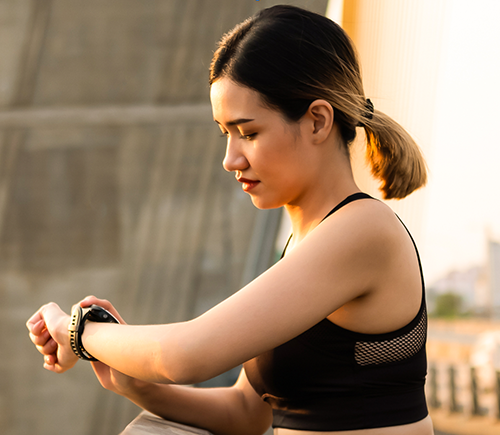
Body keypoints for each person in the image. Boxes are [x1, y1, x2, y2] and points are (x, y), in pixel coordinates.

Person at [27, 5, 433, 435]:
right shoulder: (302, 245)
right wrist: (134, 382)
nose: (230, 160)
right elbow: (246, 411)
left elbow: (186, 355)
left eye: (249, 132)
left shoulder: (363, 230)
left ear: (317, 120)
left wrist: (77, 331)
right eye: (226, 134)